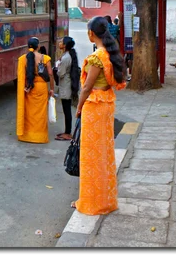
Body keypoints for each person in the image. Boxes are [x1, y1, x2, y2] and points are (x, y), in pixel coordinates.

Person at [72, 16, 126, 215]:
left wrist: (78, 107)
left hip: (94, 107)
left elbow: (86, 88)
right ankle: (105, 198)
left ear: (91, 34)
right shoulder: (110, 54)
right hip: (106, 105)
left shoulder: (97, 58)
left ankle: (91, 201)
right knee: (104, 153)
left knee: (91, 156)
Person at [16, 37, 55, 144]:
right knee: (41, 113)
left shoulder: (23, 59)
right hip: (41, 87)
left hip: (30, 87)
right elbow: (50, 75)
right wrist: (51, 89)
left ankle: (27, 135)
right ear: (38, 46)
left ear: (29, 46)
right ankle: (39, 137)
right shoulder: (45, 58)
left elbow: (21, 76)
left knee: (29, 113)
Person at [54, 36, 80, 141]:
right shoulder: (68, 55)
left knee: (67, 110)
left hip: (65, 86)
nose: (60, 43)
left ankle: (68, 133)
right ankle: (67, 131)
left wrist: (56, 68)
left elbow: (61, 73)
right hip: (67, 85)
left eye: (61, 42)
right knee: (66, 109)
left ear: (65, 46)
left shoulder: (65, 58)